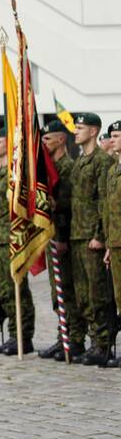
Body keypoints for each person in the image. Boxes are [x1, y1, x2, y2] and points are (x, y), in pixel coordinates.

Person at [69, 113, 114, 365]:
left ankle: (103, 343)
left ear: (94, 131)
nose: (75, 131)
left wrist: (100, 235)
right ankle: (91, 340)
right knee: (82, 294)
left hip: (91, 238)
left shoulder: (101, 162)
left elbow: (103, 202)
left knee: (98, 293)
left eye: (80, 128)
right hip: (77, 234)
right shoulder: (79, 161)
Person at [0, 127, 34, 355]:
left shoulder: (13, 175)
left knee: (18, 288)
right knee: (5, 291)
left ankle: (24, 336)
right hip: (0, 240)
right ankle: (14, 333)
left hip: (13, 238)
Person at [38, 121, 81, 360]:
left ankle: (74, 339)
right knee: (58, 291)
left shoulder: (67, 168)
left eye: (47, 140)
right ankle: (62, 336)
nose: (44, 144)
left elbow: (70, 208)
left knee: (68, 289)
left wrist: (62, 238)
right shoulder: (49, 167)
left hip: (65, 237)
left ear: (61, 140)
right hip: (53, 236)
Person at [102, 120, 121, 367]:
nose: (113, 139)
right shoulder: (112, 170)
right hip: (116, 243)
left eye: (117, 135)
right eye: (112, 136)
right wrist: (108, 243)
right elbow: (108, 211)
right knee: (119, 298)